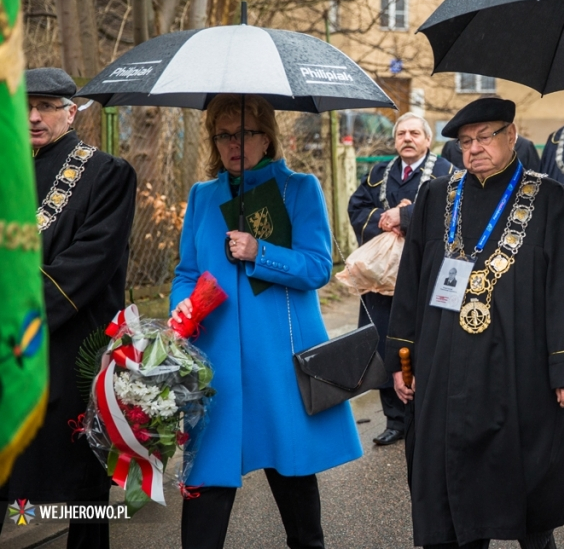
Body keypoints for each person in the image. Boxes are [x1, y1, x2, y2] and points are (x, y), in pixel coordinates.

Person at [386, 97, 564, 549]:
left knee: (526, 488)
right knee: (449, 490)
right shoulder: (434, 196)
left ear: (512, 135)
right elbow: (411, 284)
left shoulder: (551, 199)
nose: (474, 148)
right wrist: (402, 358)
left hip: (520, 369)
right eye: (466, 141)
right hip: (445, 366)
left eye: (485, 136)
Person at [169, 94, 362, 548]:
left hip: (278, 361)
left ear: (267, 136)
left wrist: (261, 252)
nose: (235, 144)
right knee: (205, 494)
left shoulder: (299, 188)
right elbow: (186, 272)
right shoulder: (202, 196)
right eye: (224, 135)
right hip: (215, 364)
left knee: (295, 491)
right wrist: (181, 307)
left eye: (245, 133)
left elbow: (318, 267)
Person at [0, 68, 136, 549]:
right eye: (25, 106)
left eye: (47, 106)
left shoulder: (107, 173)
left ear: (71, 111)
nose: (34, 117)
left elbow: (88, 264)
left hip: (67, 352)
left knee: (78, 491)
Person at [348, 113, 455, 446]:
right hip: (381, 277)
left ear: (427, 139)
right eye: (401, 133)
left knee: (424, 340)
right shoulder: (379, 174)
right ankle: (394, 419)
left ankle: (429, 415)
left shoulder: (446, 173)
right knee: (382, 343)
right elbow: (356, 207)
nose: (407, 138)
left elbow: (454, 211)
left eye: (414, 133)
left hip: (425, 273)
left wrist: (407, 217)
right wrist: (384, 218)